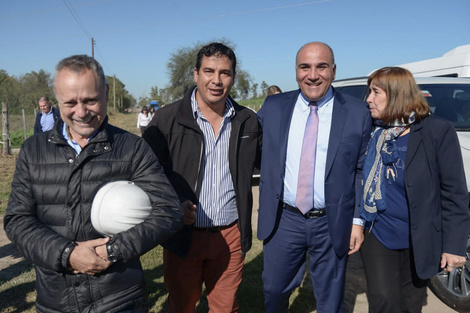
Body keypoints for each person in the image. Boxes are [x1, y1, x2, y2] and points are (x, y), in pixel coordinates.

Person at [4, 54, 183, 313]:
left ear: (106, 92)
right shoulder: (33, 150)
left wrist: (112, 251)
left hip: (119, 300)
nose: (81, 112)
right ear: (56, 100)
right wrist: (67, 254)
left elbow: (169, 211)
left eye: (90, 100)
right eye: (70, 102)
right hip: (55, 301)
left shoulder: (132, 148)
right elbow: (17, 220)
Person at [143, 42, 261, 313]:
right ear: (196, 74)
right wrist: (172, 205)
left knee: (226, 307)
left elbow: (272, 164)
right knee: (182, 306)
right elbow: (145, 175)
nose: (216, 80)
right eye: (209, 71)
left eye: (225, 73)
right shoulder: (166, 119)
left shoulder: (247, 121)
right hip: (183, 236)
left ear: (233, 77)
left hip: (230, 233)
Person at [257, 41, 372, 313]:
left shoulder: (357, 113)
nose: (312, 75)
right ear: (296, 71)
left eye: (321, 66)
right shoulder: (273, 107)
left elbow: (360, 170)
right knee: (273, 290)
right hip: (284, 219)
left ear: (333, 70)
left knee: (331, 300)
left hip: (331, 222)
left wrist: (357, 220)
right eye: (304, 67)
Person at [359, 66, 470, 313]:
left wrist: (454, 244)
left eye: (376, 92)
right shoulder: (370, 131)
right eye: (369, 91)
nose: (368, 98)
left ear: (397, 94)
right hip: (379, 233)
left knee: (411, 305)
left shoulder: (436, 131)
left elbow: (454, 193)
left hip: (420, 237)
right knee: (383, 301)